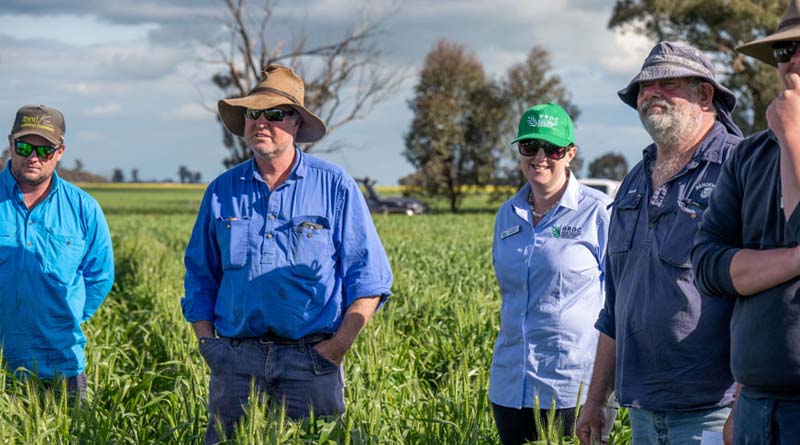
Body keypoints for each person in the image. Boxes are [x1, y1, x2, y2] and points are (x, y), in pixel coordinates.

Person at [182, 64, 393, 444]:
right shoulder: (221, 190)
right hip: (235, 361)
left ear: (296, 123)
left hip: (310, 360)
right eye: (252, 113)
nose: (261, 122)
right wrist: (209, 345)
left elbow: (370, 277)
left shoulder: (335, 186)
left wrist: (337, 347)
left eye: (274, 114)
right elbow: (200, 274)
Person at [576, 42, 744, 445]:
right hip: (643, 412)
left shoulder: (740, 168)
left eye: (666, 83)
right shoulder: (634, 181)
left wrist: (745, 404)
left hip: (715, 411)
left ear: (704, 94)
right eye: (643, 88)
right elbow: (616, 303)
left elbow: (767, 298)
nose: (650, 93)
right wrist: (598, 397)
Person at [692, 2, 800, 443]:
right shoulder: (749, 157)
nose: (793, 60)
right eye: (784, 50)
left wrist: (793, 136)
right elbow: (706, 264)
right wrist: (794, 260)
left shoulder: (782, 136)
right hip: (757, 404)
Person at [490, 103, 611, 445]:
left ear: (570, 153)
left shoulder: (598, 212)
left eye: (552, 148)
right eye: (529, 146)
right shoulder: (507, 215)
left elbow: (620, 300)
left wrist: (603, 393)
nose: (540, 156)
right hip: (511, 384)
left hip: (574, 387)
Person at [0, 105, 114, 399]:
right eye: (25, 146)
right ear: (11, 143)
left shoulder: (83, 209)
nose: (33, 157)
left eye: (45, 150)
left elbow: (99, 278)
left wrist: (65, 317)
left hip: (63, 366)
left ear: (60, 151)